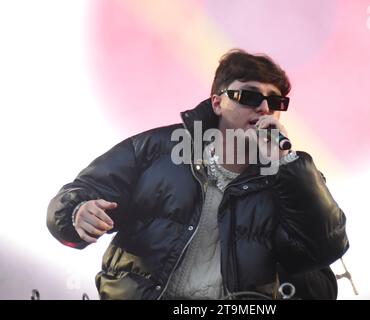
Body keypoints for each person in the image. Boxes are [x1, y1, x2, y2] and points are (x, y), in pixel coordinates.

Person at [47, 49, 349, 300]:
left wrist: (285, 164)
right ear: (217, 102)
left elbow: (325, 248)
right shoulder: (157, 149)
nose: (264, 108)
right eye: (248, 96)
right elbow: (80, 193)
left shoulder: (291, 175)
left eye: (275, 101)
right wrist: (77, 213)